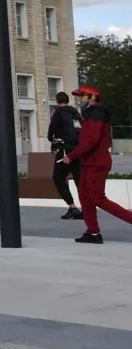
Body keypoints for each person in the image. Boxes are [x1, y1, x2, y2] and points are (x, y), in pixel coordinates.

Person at [63, 86, 132, 243]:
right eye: (79, 96)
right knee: (85, 198)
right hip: (89, 162)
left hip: (97, 163)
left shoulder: (98, 113)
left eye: (82, 96)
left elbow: (91, 140)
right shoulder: (90, 114)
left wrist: (72, 155)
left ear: (92, 96)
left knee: (98, 199)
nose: (79, 99)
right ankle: (93, 233)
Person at [47, 91, 84, 220]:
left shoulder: (58, 113)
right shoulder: (76, 113)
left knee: (58, 178)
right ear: (67, 101)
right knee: (80, 180)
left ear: (57, 101)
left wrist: (53, 140)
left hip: (65, 152)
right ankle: (87, 209)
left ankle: (72, 207)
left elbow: (52, 133)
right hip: (79, 151)